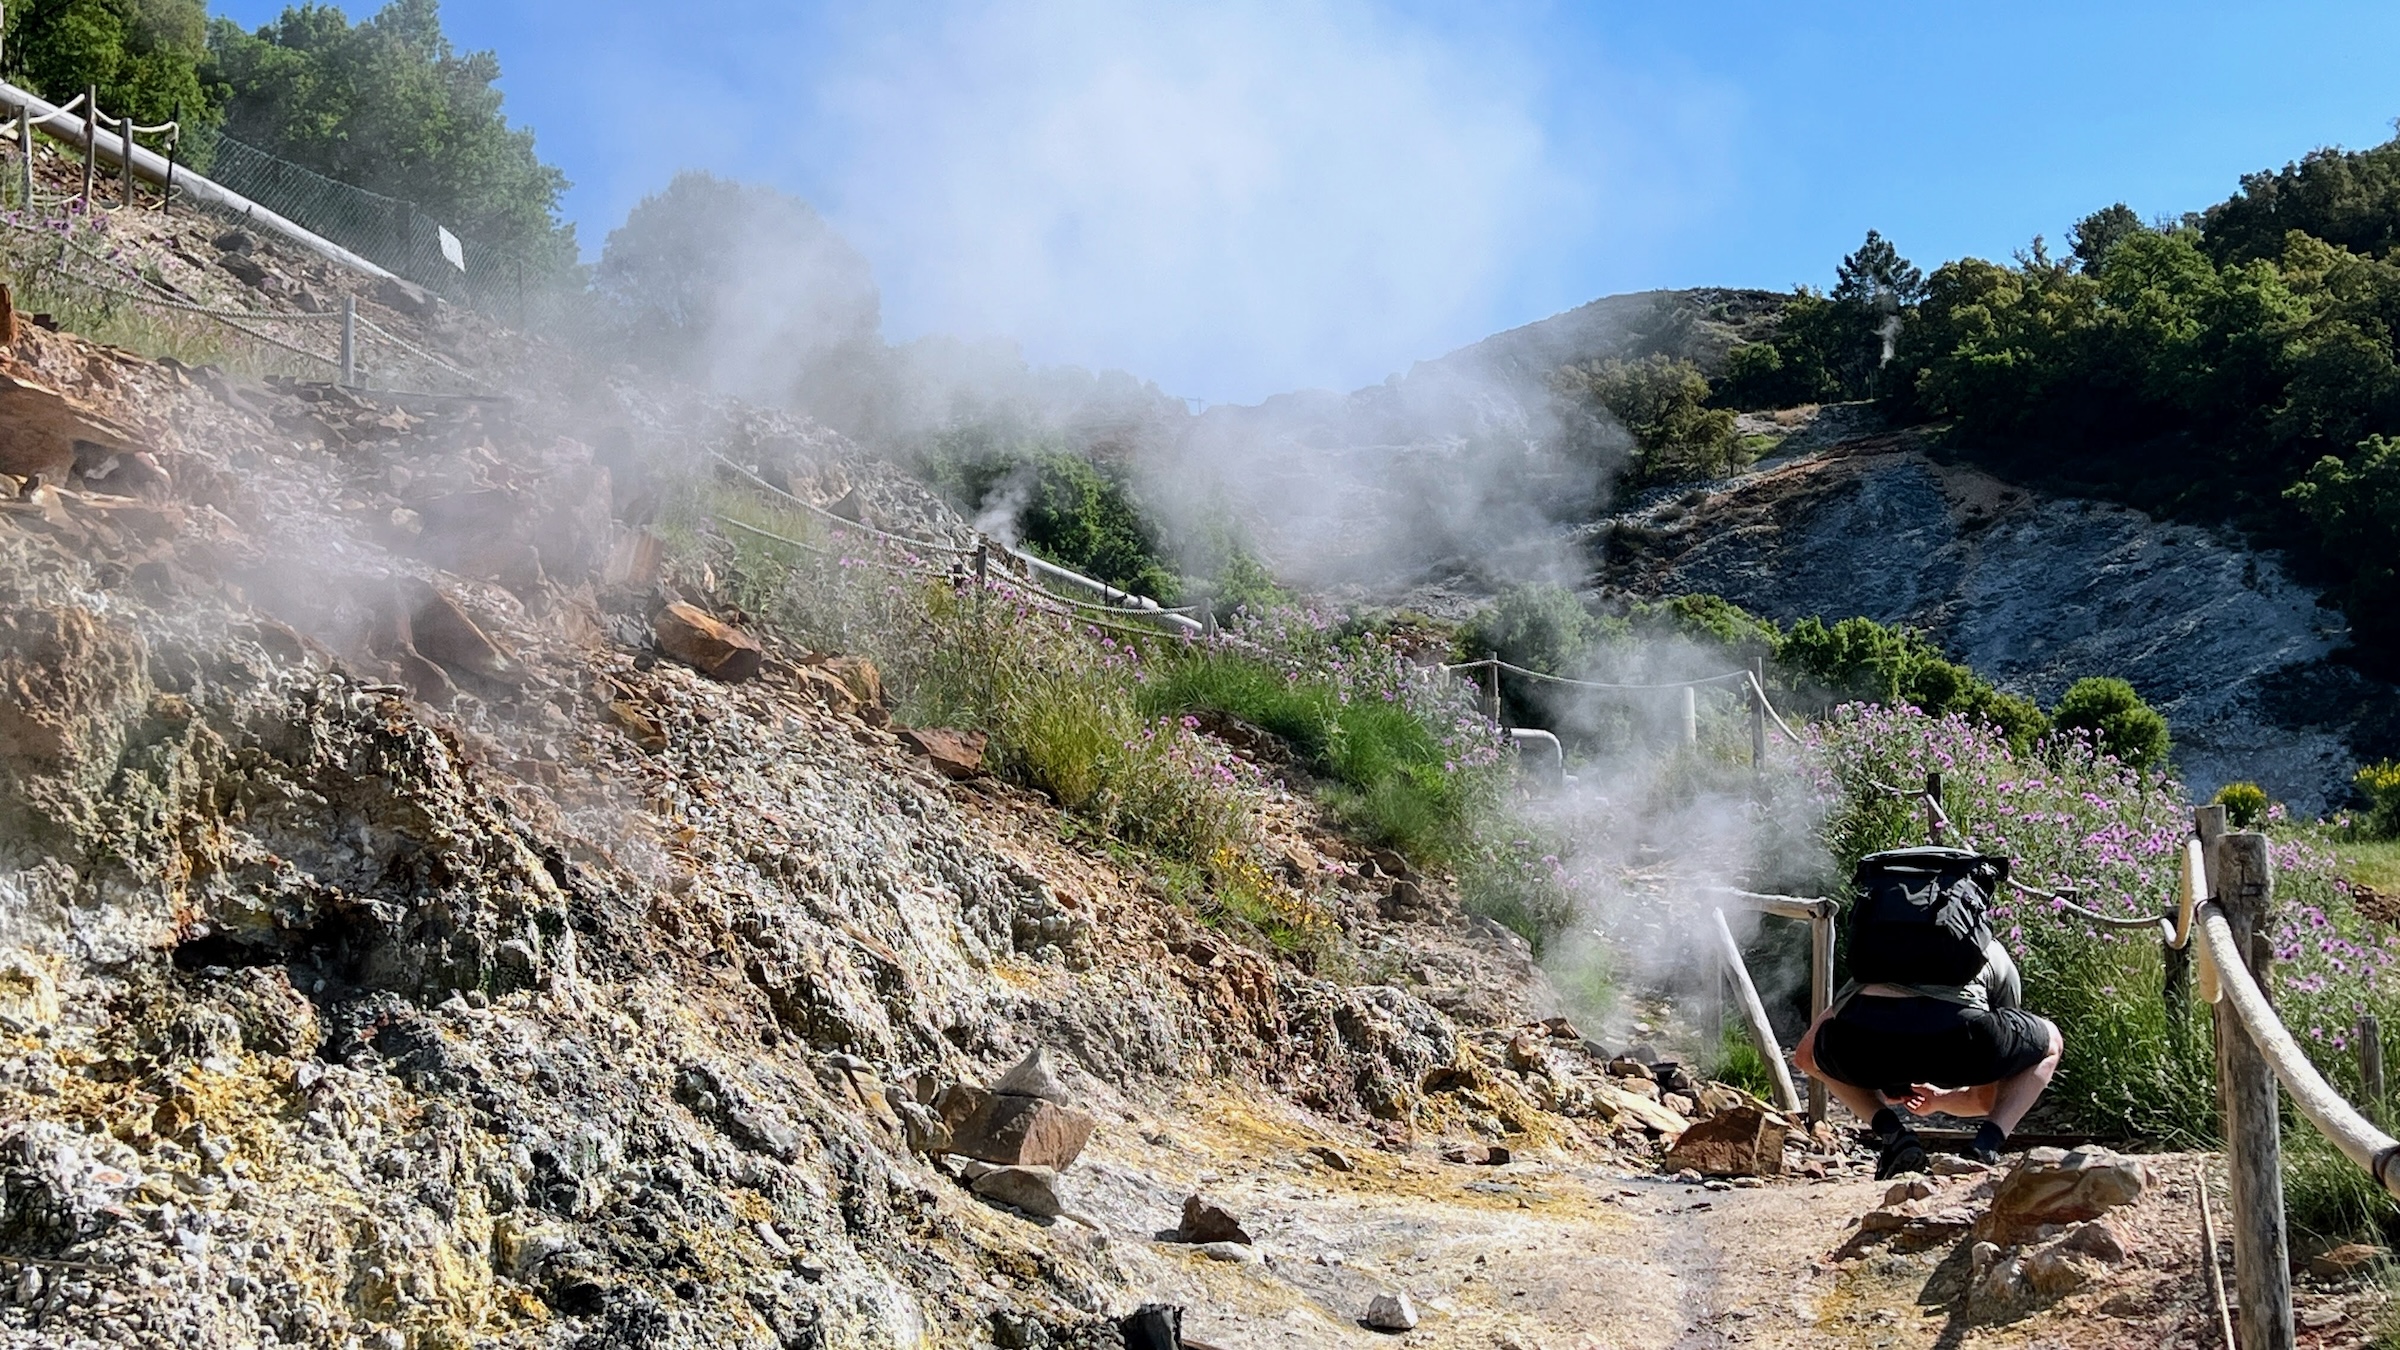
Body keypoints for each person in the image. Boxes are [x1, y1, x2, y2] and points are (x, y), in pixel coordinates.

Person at [1794, 933, 2062, 1178]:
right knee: (2050, 1042)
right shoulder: (1989, 950)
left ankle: (1893, 1134)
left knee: (1827, 1050)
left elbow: (1805, 1057)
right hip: (1962, 1039)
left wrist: (1887, 1077)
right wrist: (1940, 1101)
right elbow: (1988, 1097)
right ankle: (1985, 1146)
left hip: (1870, 1046)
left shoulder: (1877, 954)